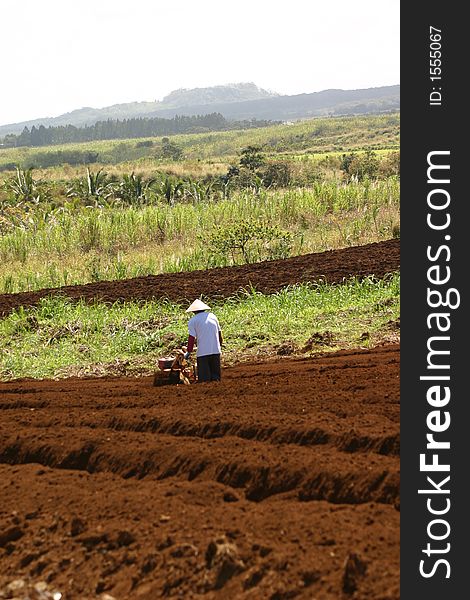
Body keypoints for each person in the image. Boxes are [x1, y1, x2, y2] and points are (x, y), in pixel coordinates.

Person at [183, 299, 222, 382]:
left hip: (203, 354)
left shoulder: (193, 321)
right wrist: (219, 346)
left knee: (204, 380)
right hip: (215, 351)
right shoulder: (213, 316)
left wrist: (188, 352)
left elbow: (191, 338)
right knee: (216, 379)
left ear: (193, 311)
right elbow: (219, 334)